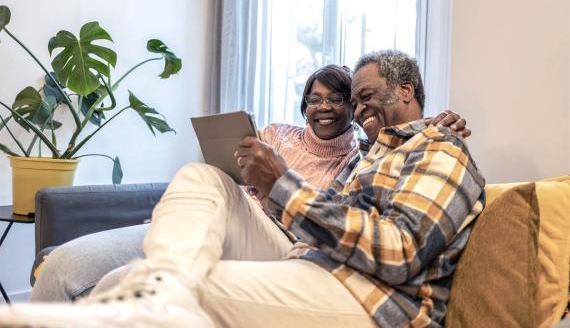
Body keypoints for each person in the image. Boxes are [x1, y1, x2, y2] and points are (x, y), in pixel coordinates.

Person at [0, 50, 483, 328]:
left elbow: (399, 252)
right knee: (203, 179)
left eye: (360, 98)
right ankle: (161, 291)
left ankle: (163, 296)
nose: (353, 111)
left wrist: (282, 188)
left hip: (367, 297)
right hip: (306, 259)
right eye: (347, 100)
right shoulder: (372, 154)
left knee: (176, 288)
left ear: (405, 92)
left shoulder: (437, 147)